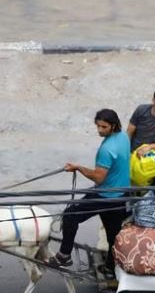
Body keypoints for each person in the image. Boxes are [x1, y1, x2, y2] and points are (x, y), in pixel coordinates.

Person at [47, 109, 130, 271]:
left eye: (103, 127)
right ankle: (111, 266)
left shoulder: (107, 149)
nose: (99, 130)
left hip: (105, 195)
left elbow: (99, 177)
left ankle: (64, 256)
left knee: (70, 216)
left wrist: (78, 168)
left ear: (113, 126)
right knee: (113, 234)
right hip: (121, 194)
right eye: (98, 126)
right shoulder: (123, 137)